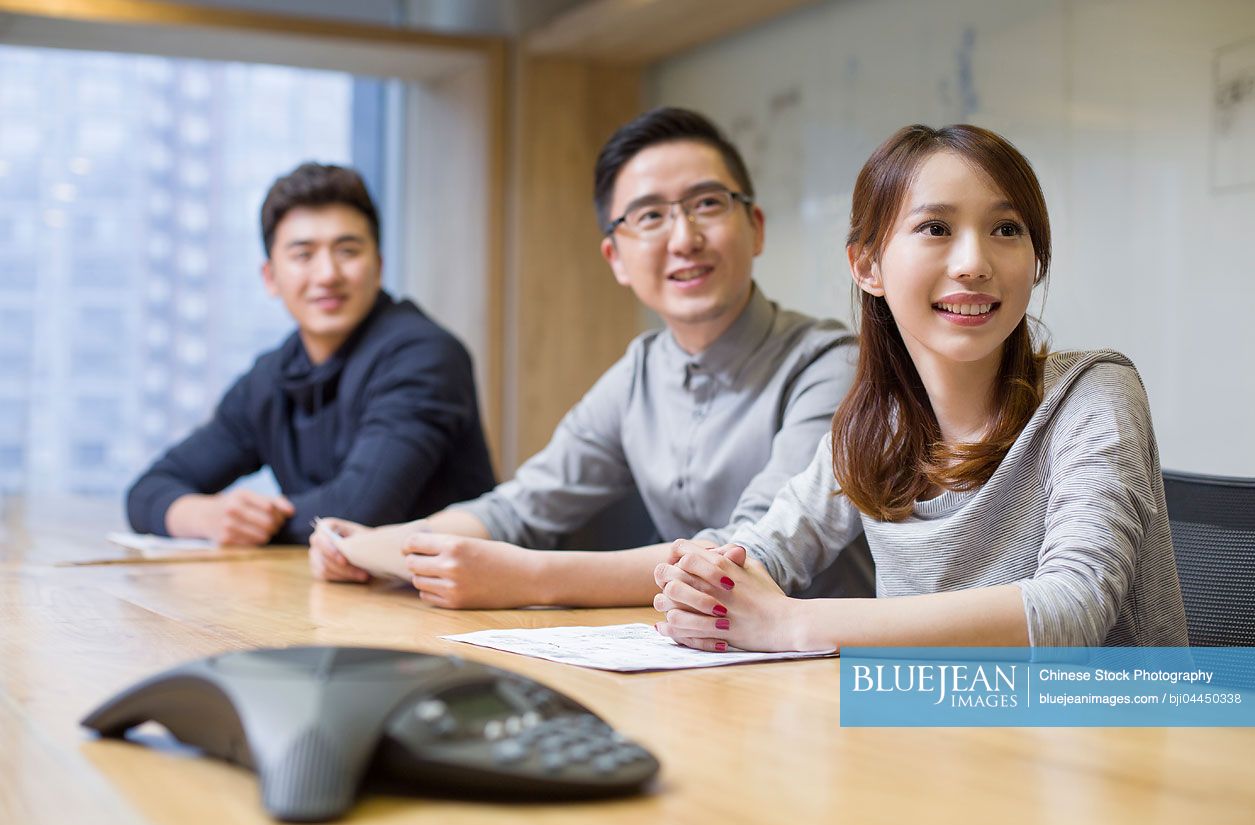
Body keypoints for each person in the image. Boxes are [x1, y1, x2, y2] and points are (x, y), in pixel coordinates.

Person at [653, 124, 1188, 651]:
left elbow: (1073, 607)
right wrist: (704, 584)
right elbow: (766, 552)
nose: (974, 264)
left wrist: (795, 622)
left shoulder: (1093, 392)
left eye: (1006, 230)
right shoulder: (877, 430)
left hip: (1114, 726)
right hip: (932, 731)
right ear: (867, 265)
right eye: (936, 228)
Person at [309, 107, 873, 607]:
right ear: (617, 258)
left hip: (836, 675)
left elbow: (747, 555)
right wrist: (373, 547)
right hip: (711, 666)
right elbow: (519, 508)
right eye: (649, 216)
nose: (683, 237)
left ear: (754, 228)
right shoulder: (638, 374)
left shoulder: (833, 364)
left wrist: (531, 577)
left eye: (707, 204)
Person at [126, 163, 495, 546]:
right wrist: (208, 516)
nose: (327, 274)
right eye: (303, 255)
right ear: (270, 277)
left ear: (378, 267)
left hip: (438, 598)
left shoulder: (426, 356)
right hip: (325, 593)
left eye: (347, 251)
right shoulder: (271, 377)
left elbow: (357, 511)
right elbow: (147, 490)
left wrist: (257, 523)